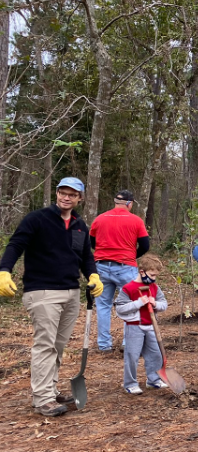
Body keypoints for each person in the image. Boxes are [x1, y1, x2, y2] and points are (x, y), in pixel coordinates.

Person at [0, 177, 103, 417]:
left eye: (72, 194)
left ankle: (50, 388)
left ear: (80, 198)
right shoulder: (37, 219)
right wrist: (4, 270)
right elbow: (16, 245)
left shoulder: (79, 225)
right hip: (42, 291)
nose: (66, 197)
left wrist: (93, 275)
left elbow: (86, 256)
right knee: (45, 345)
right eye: (62, 192)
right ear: (56, 193)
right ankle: (42, 398)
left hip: (71, 292)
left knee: (58, 345)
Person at [89, 189, 150, 352]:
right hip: (125, 266)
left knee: (103, 306)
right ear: (129, 204)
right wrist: (132, 255)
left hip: (101, 266)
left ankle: (104, 345)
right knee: (131, 304)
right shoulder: (136, 221)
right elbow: (145, 245)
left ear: (116, 202)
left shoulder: (100, 219)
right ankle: (128, 344)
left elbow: (92, 243)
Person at [114, 254, 169, 394]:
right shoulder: (128, 288)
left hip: (151, 326)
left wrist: (155, 303)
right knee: (132, 355)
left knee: (155, 354)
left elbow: (164, 304)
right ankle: (130, 383)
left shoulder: (155, 287)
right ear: (142, 271)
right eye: (152, 274)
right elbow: (119, 308)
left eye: (156, 275)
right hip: (134, 327)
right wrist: (139, 303)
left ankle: (153, 379)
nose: (153, 278)